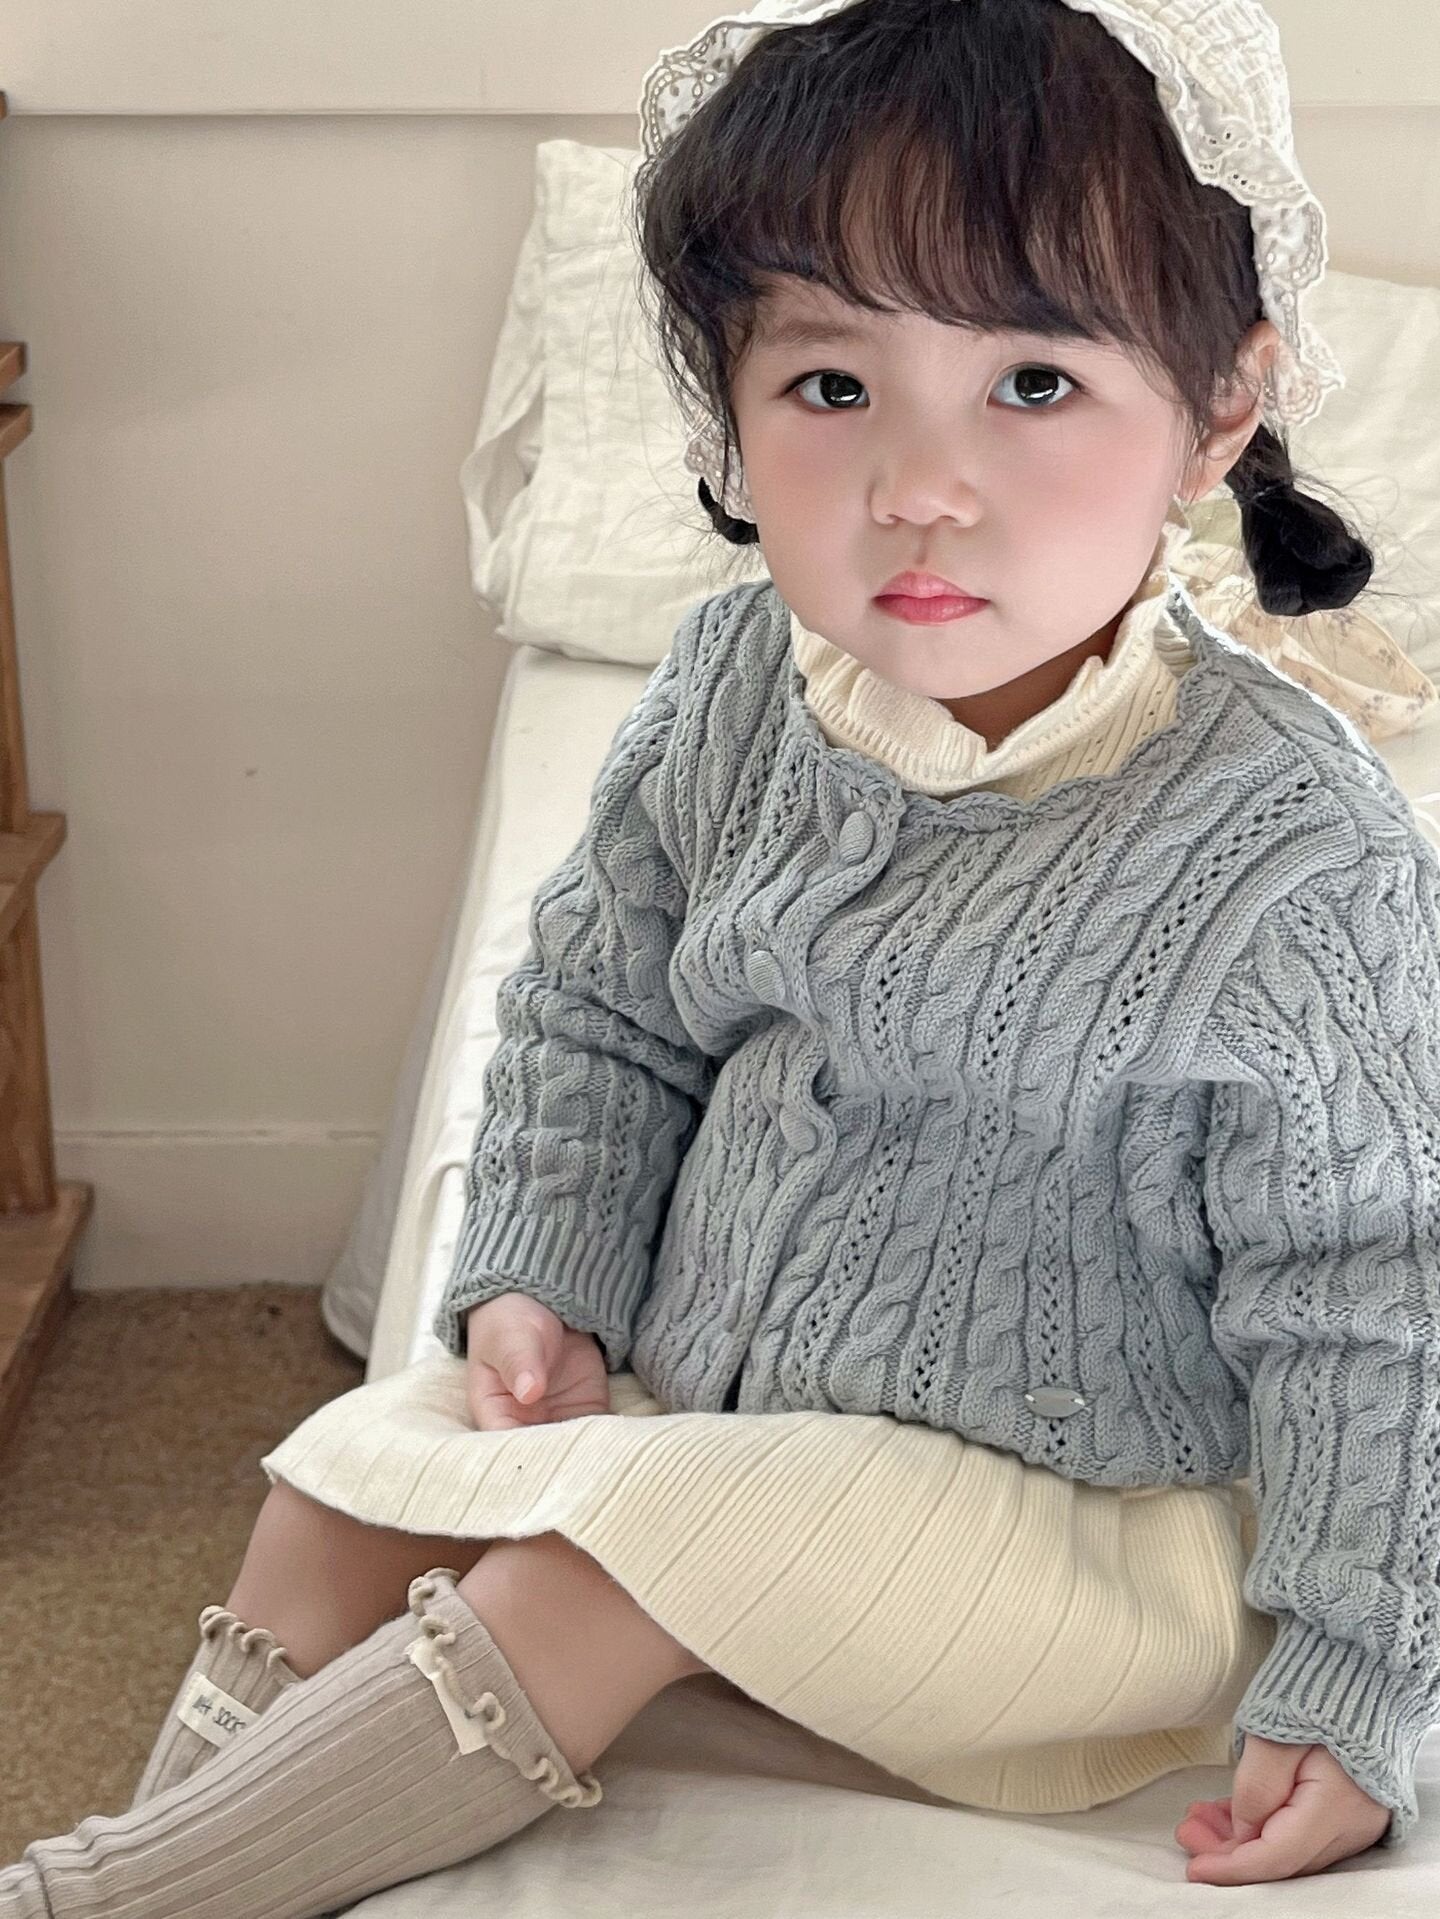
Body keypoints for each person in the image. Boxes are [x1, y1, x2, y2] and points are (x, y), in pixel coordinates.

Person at [4, 0, 1439, 1911]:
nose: (919, 484)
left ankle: (90, 1905)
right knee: (337, 1476)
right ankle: (166, 1857)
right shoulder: (732, 689)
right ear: (730, 410)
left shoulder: (1296, 853)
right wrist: (546, 1268)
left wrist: (1357, 1671)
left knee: (598, 1570)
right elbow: (596, 1014)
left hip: (1085, 1524)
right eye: (832, 385)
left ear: (1221, 409)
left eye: (1032, 383)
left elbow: (1374, 1295)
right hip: (724, 1413)